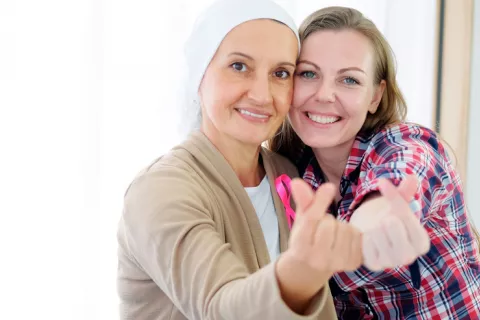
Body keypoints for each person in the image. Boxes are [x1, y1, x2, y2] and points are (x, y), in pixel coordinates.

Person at [116, 1, 371, 319]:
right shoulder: (160, 190)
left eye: (281, 73)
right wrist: (298, 273)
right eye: (239, 66)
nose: (262, 96)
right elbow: (220, 307)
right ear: (200, 73)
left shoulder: (288, 175)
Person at [270, 6, 480, 319]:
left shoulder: (406, 144)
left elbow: (396, 184)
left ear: (375, 97)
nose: (325, 95)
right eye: (309, 74)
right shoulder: (289, 173)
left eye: (349, 80)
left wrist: (373, 228)